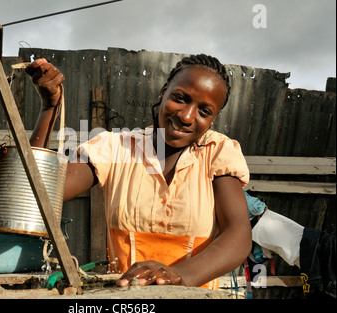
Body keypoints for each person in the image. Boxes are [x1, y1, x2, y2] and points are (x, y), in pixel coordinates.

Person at [25, 54, 252, 289]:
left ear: (213, 120)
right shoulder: (115, 148)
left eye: (204, 111)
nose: (186, 116)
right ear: (163, 92)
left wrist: (177, 274)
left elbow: (238, 235)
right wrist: (49, 108)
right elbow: (37, 192)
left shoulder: (218, 152)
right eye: (180, 98)